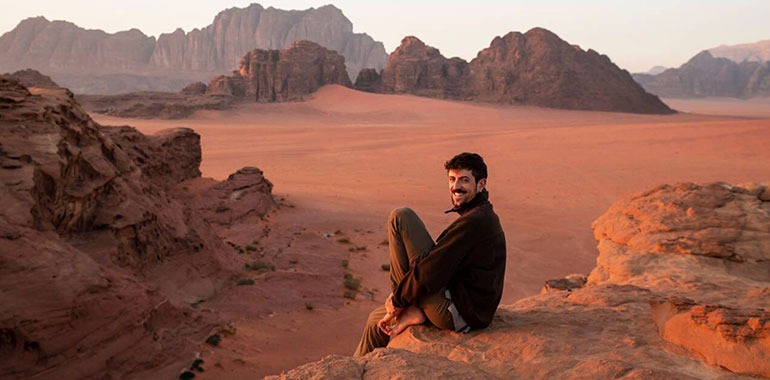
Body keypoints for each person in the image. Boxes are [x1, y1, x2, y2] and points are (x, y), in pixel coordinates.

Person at [354, 152, 506, 357]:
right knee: (375, 320)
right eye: (452, 180)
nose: (456, 186)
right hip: (464, 306)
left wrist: (399, 300)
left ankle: (405, 308)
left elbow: (433, 268)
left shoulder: (476, 221)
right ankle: (360, 365)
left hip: (458, 312)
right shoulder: (479, 215)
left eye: (464, 180)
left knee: (401, 217)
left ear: (481, 184)